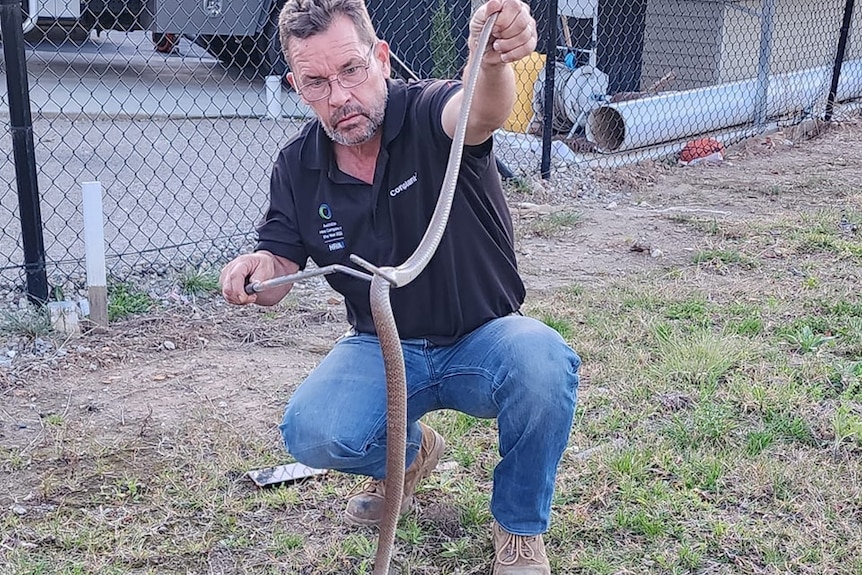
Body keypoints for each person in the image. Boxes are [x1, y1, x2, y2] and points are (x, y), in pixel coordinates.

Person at [219, 0, 580, 572]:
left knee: (542, 362)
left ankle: (517, 528)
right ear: (296, 86)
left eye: (351, 71)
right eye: (315, 82)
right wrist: (255, 273)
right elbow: (278, 262)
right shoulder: (297, 164)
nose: (338, 97)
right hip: (382, 348)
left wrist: (489, 60)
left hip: (482, 338)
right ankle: (409, 457)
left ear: (381, 59)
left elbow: (481, 110)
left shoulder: (428, 112)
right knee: (312, 431)